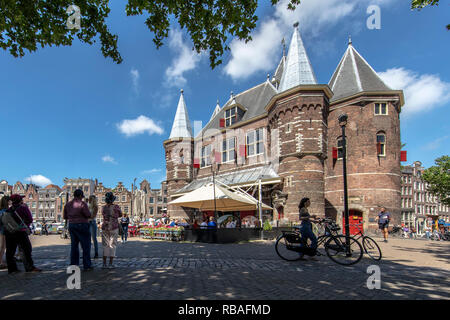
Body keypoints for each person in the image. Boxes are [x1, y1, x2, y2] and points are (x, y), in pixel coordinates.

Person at [3, 194, 41, 274]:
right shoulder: (23, 208)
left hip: (9, 232)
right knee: (26, 249)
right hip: (20, 231)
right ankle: (29, 267)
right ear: (20, 200)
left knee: (10, 251)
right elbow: (30, 219)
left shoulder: (8, 210)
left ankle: (12, 269)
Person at [64, 189, 93, 271]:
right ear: (80, 196)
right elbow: (88, 214)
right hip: (82, 225)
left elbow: (65, 216)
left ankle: (74, 265)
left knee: (74, 246)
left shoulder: (68, 204)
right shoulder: (82, 204)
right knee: (86, 246)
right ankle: (87, 265)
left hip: (72, 225)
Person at [101, 192, 122, 269]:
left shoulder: (103, 207)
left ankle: (104, 264)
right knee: (112, 245)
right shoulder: (116, 207)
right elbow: (120, 214)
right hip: (114, 227)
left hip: (105, 227)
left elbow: (103, 214)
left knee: (105, 245)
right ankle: (110, 263)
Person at [0, 196, 10, 269]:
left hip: (2, 230)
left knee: (2, 247)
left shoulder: (1, 211)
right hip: (3, 231)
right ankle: (1, 262)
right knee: (2, 247)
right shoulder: (5, 211)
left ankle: (1, 261)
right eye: (9, 201)